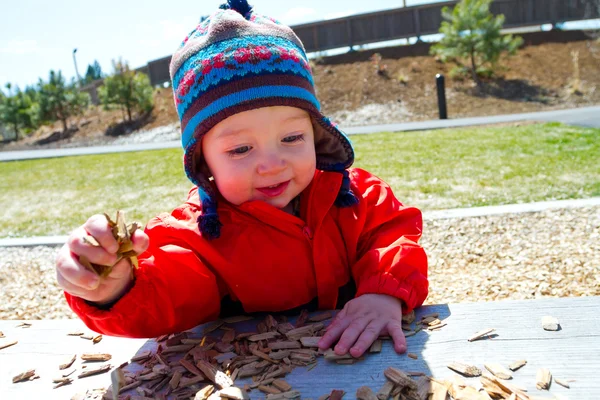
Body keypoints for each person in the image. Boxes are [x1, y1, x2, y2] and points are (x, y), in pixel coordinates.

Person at [55, 0, 428, 359]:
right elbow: (165, 290)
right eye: (240, 150)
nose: (272, 165)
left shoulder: (355, 196)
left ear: (316, 134)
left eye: (292, 138)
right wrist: (115, 288)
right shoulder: (199, 234)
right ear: (203, 163)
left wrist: (384, 292)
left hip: (364, 367)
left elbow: (393, 236)